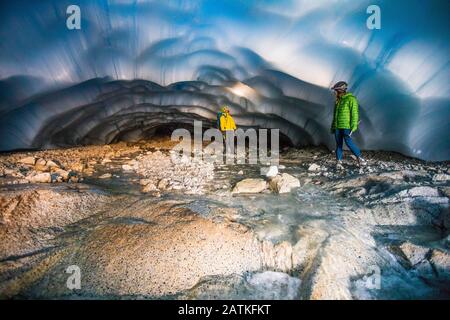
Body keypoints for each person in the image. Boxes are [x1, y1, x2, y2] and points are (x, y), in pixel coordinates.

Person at [330, 81, 366, 169]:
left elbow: (354, 113)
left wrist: (354, 126)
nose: (335, 92)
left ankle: (360, 159)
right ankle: (338, 162)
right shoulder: (338, 101)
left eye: (336, 90)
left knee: (348, 142)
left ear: (341, 90)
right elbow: (335, 116)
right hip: (338, 126)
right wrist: (333, 126)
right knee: (338, 144)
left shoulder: (351, 99)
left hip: (346, 126)